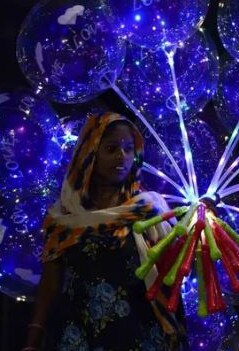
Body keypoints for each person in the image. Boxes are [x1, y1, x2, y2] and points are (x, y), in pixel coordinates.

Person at [22, 112, 187, 350]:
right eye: (111, 149)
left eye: (128, 149)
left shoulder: (149, 209)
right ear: (90, 155)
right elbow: (50, 284)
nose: (122, 156)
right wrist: (34, 339)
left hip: (141, 336)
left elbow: (174, 273)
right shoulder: (63, 219)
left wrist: (194, 233)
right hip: (78, 338)